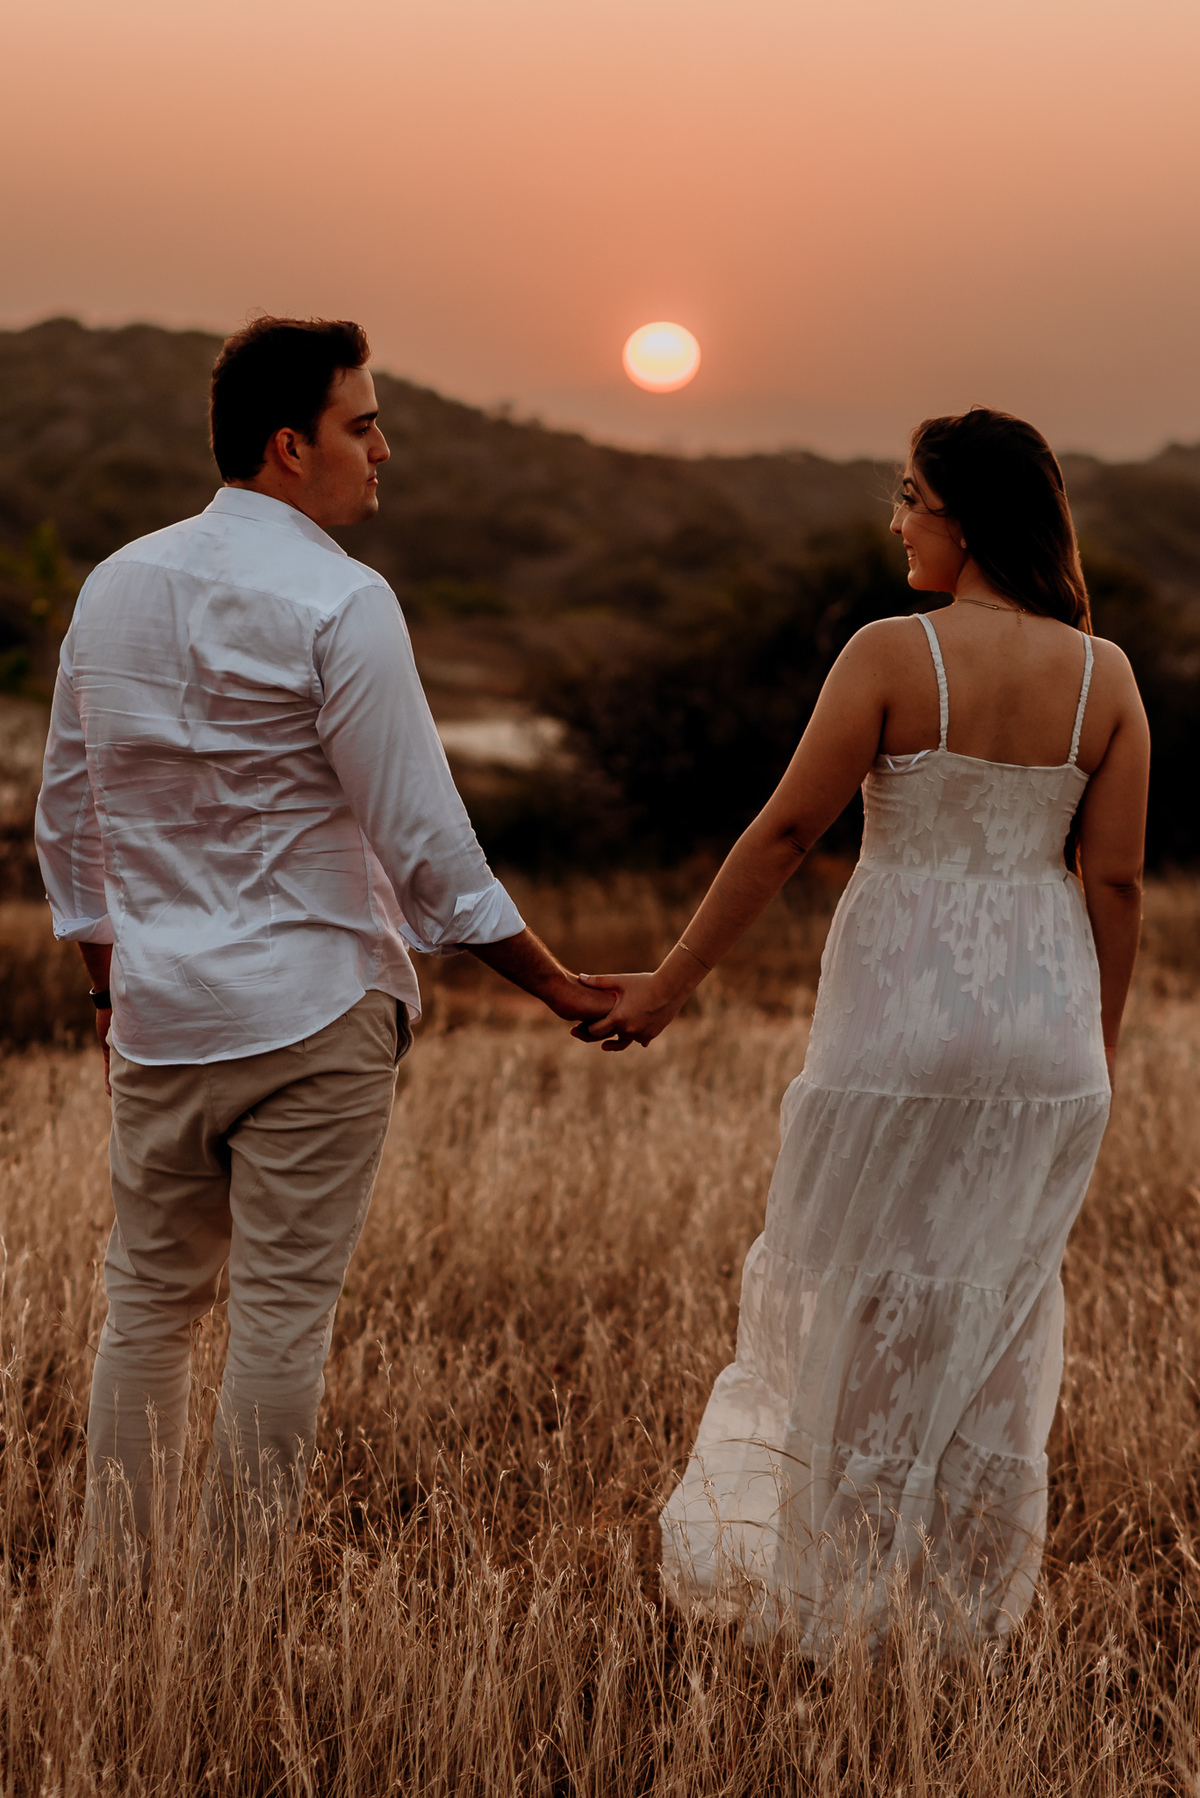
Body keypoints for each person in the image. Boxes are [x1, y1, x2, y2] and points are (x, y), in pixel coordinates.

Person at [35, 316, 613, 1579]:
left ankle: (119, 1606)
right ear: (291, 446)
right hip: (312, 1011)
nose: (383, 450)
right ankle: (231, 1621)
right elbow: (428, 841)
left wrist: (107, 981)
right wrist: (558, 984)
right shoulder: (345, 599)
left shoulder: (116, 582)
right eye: (363, 425)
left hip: (162, 1013)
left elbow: (68, 811)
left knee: (144, 1310)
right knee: (280, 1325)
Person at [579, 408, 1149, 1653]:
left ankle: (831, 1608)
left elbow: (786, 832)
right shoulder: (1106, 677)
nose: (897, 520)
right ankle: (947, 1622)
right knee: (991, 1313)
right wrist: (1094, 1052)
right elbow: (1115, 885)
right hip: (1043, 1041)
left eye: (909, 497)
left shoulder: (893, 654)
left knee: (851, 1296)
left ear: (962, 517)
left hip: (901, 1022)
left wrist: (670, 984)